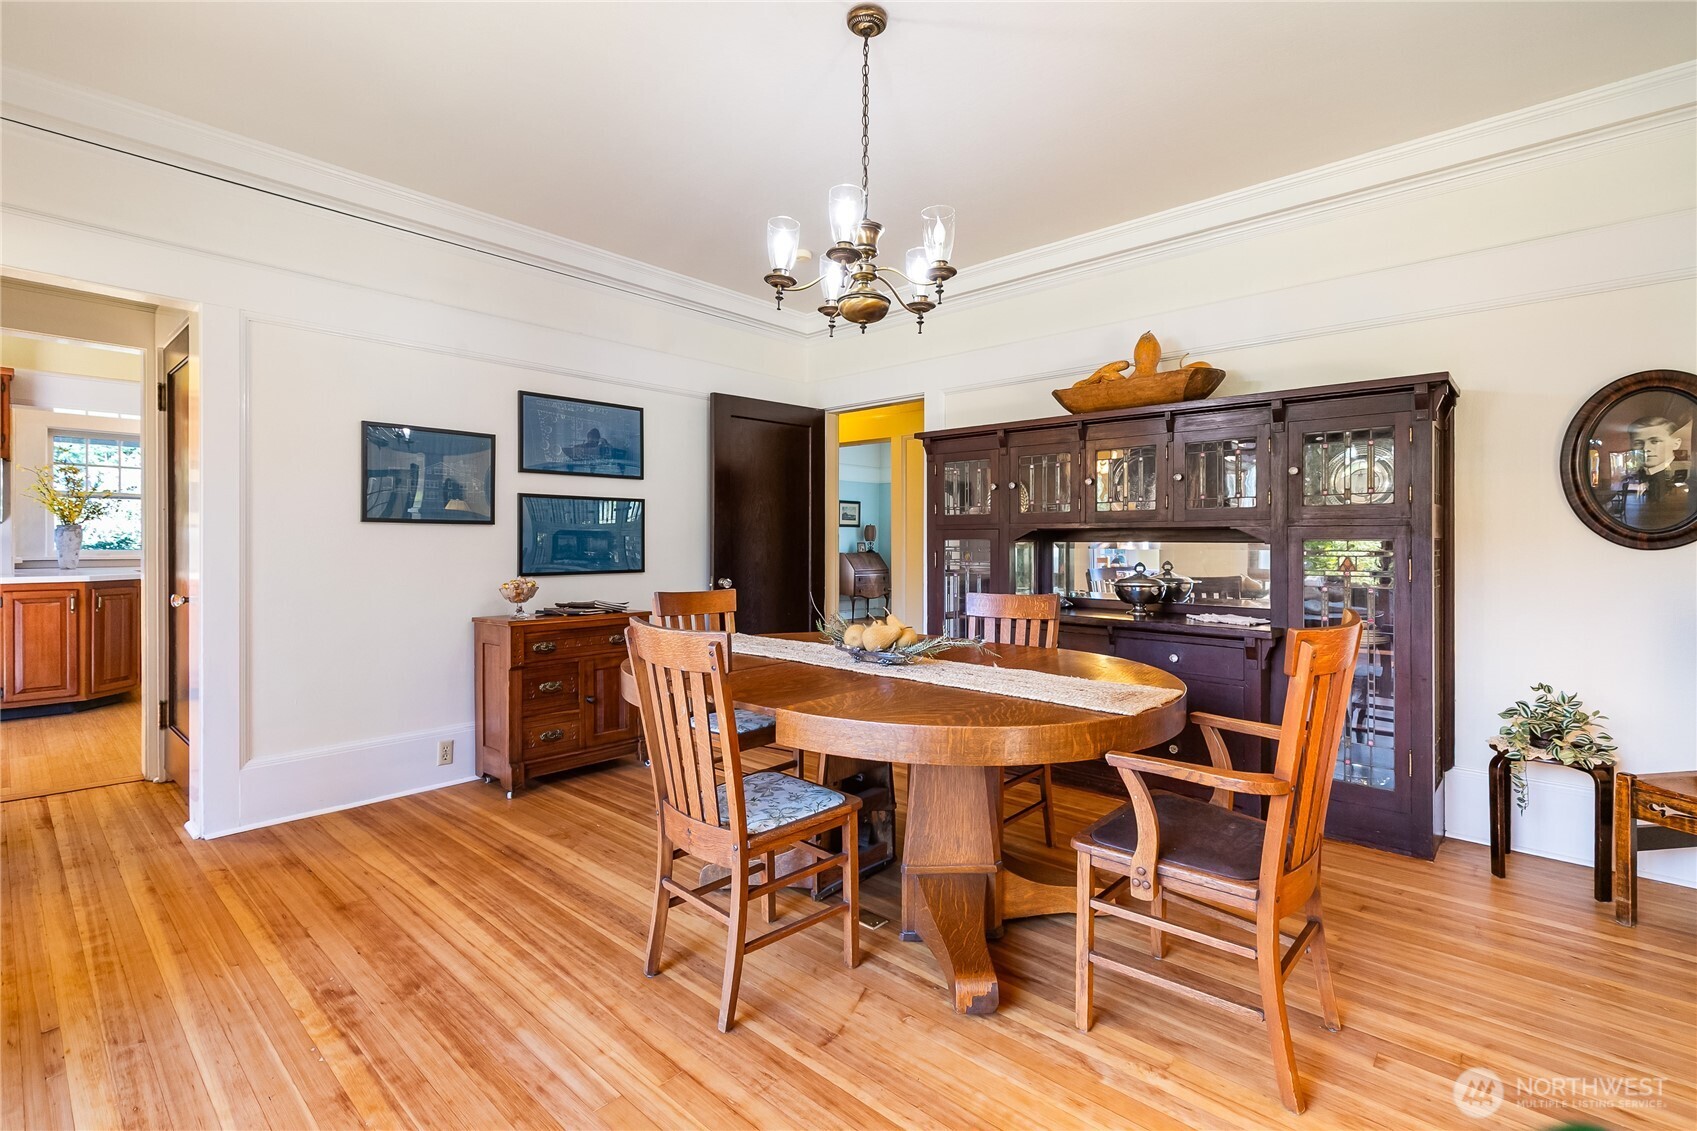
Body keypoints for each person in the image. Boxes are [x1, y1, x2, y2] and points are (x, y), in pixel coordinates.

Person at [1623, 414, 1693, 530]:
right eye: (1638, 443)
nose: (1645, 448)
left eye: (1655, 441)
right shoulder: (1639, 473)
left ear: (1676, 443)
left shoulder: (1688, 475)